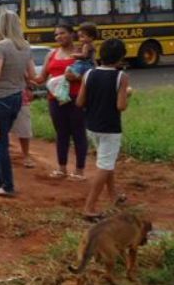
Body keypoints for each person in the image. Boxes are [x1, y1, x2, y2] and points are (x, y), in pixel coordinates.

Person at [0, 11, 36, 197]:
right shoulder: (25, 46)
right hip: (16, 98)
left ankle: (8, 185)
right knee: (1, 139)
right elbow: (32, 75)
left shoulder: (1, 46)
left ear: (0, 26)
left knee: (0, 142)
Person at [77, 38, 131, 221]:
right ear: (121, 57)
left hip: (92, 126)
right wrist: (127, 93)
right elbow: (121, 106)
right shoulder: (121, 77)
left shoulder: (89, 74)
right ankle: (89, 207)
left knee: (106, 163)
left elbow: (79, 102)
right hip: (110, 127)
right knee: (105, 165)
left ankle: (113, 196)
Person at [34, 24, 89, 181]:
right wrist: (26, 75)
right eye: (56, 34)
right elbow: (41, 78)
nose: (59, 37)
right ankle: (62, 168)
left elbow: (91, 73)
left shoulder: (82, 52)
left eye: (62, 33)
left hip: (77, 98)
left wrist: (77, 77)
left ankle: (79, 170)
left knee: (78, 133)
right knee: (61, 133)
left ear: (72, 34)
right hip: (55, 99)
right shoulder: (51, 54)